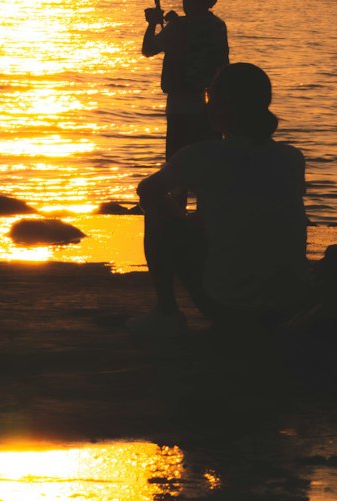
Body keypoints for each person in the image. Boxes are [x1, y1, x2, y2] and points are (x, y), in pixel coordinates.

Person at [132, 62, 309, 340]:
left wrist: (181, 218)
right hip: (290, 304)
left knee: (156, 210)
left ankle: (166, 313)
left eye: (210, 96)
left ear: (220, 107)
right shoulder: (292, 158)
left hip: (228, 305)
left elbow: (147, 192)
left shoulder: (199, 156)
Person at [142, 0, 229, 160]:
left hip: (180, 110)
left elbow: (148, 49)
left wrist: (152, 23)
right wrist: (173, 23)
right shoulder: (218, 26)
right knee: (207, 169)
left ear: (189, 0)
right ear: (211, 1)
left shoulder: (177, 28)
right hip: (210, 112)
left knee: (177, 171)